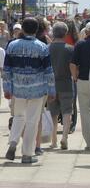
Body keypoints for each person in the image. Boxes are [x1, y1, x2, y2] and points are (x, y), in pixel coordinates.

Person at [3, 17, 55, 163]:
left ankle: (13, 142)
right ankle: (27, 154)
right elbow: (48, 71)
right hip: (37, 90)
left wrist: (7, 88)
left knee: (19, 117)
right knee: (32, 120)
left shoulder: (12, 46)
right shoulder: (42, 47)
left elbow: (7, 70)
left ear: (23, 29)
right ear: (36, 30)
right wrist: (51, 90)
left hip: (18, 89)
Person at [70, 21, 90, 151]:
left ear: (86, 32)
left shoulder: (80, 44)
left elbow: (73, 64)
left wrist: (74, 77)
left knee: (85, 111)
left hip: (83, 80)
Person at [48, 22, 74, 150]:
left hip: (51, 84)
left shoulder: (47, 48)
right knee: (67, 111)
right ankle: (64, 137)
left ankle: (53, 140)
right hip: (66, 84)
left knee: (53, 113)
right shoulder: (70, 48)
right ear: (66, 33)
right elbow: (72, 67)